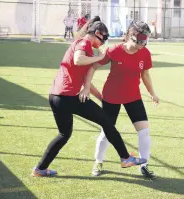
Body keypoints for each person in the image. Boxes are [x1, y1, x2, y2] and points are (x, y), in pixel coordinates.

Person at [31, 16, 147, 177]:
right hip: (68, 97)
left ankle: (40, 169)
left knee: (64, 135)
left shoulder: (84, 46)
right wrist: (100, 57)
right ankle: (125, 158)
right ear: (97, 33)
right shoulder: (84, 43)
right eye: (104, 38)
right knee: (107, 121)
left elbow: (84, 78)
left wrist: (100, 97)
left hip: (56, 97)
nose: (104, 43)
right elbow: (78, 60)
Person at [82, 21, 159, 179]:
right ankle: (98, 162)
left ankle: (144, 166)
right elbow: (93, 67)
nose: (144, 42)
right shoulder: (114, 50)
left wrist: (152, 93)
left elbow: (145, 74)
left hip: (133, 96)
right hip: (112, 97)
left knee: (144, 132)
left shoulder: (145, 53)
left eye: (146, 39)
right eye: (142, 38)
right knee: (106, 132)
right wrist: (86, 87)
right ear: (132, 36)